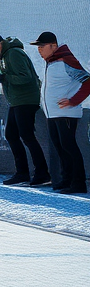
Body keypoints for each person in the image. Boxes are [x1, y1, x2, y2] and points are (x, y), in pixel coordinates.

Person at [0, 30, 49, 186]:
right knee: (11, 135)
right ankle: (22, 173)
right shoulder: (2, 55)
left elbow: (26, 77)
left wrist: (3, 77)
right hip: (16, 100)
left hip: (26, 99)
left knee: (26, 136)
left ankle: (42, 173)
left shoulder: (13, 53)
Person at [32, 33, 89, 194]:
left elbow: (88, 81)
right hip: (53, 114)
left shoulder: (65, 60)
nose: (39, 50)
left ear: (54, 46)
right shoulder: (51, 62)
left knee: (68, 146)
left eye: (42, 46)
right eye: (38, 47)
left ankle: (78, 183)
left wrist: (73, 101)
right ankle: (67, 180)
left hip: (67, 114)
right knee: (60, 147)